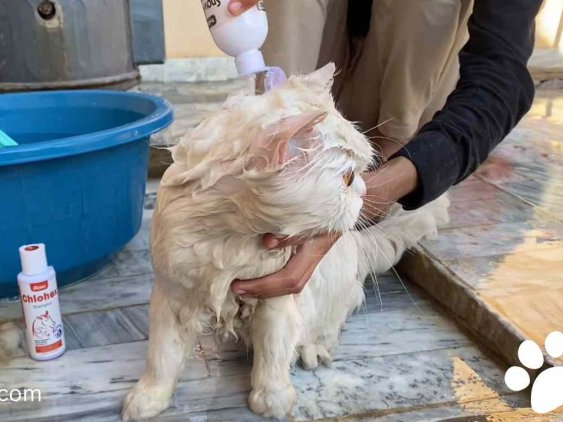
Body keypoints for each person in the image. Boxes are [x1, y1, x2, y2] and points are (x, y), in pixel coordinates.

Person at [228, 0, 543, 298]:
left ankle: (383, 174)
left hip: (402, 117)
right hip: (309, 88)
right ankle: (283, 155)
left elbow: (502, 80)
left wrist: (368, 195)